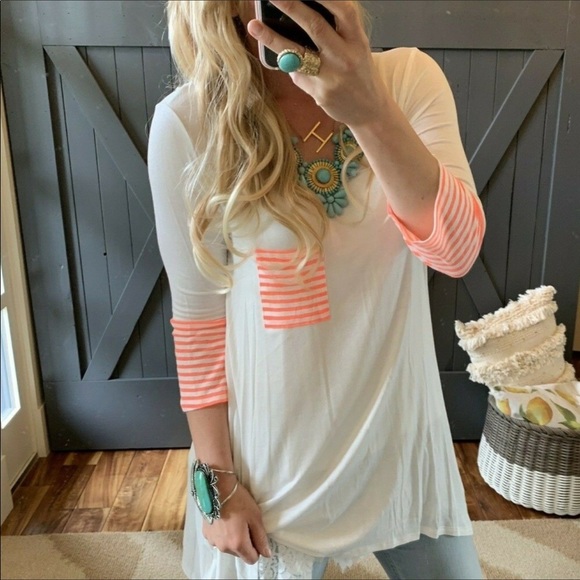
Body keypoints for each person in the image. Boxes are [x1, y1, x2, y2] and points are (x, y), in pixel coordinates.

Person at [147, 1, 486, 578]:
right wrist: (216, 485)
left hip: (400, 447)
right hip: (274, 475)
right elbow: (199, 322)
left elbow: (455, 252)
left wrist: (370, 111)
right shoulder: (190, 122)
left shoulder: (408, 81)